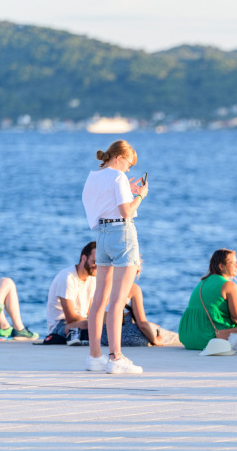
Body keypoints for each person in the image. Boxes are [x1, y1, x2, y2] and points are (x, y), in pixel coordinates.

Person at [82, 139, 148, 374]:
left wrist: (125, 193)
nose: (128, 170)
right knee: (118, 301)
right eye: (128, 165)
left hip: (101, 236)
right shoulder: (117, 177)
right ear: (119, 158)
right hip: (122, 234)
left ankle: (94, 356)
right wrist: (140, 195)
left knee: (99, 300)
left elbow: (100, 205)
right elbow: (126, 212)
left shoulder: (93, 176)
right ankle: (115, 357)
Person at [179, 249, 237, 350]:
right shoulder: (229, 286)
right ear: (221, 266)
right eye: (233, 263)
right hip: (209, 339)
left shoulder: (201, 283)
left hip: (189, 338)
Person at [45, 242, 97, 346]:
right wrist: (93, 321)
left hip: (82, 321)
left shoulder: (92, 279)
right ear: (83, 258)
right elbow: (70, 317)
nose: (97, 266)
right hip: (60, 325)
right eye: (94, 261)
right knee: (91, 324)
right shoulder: (67, 277)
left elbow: (90, 312)